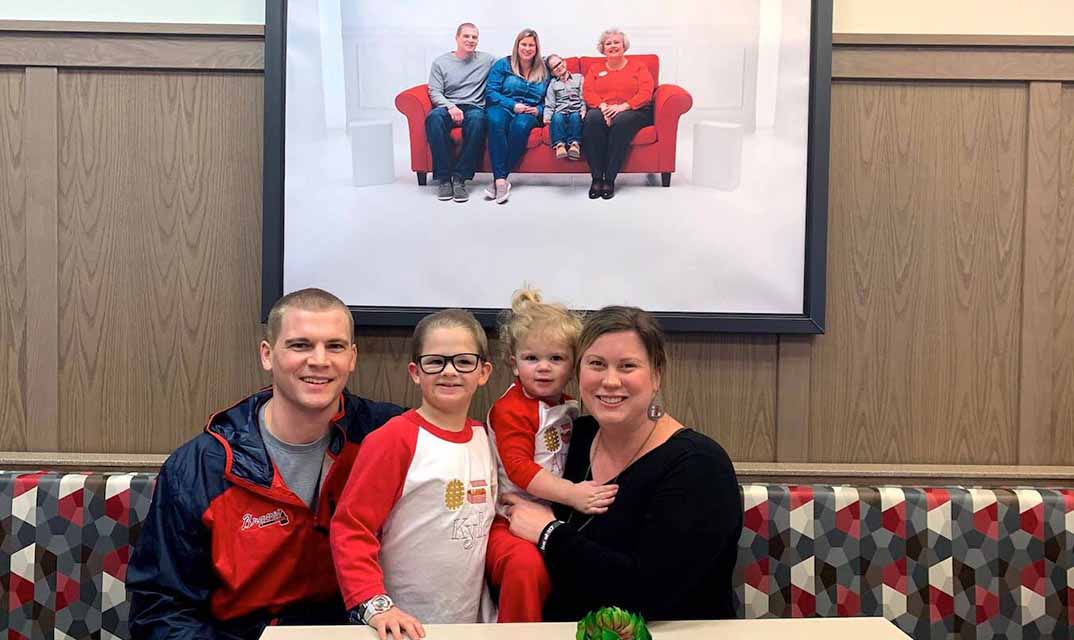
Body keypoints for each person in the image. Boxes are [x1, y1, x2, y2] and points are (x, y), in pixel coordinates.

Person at [127, 288, 405, 639]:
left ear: (352, 357)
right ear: (267, 355)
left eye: (334, 346)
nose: (319, 360)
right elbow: (159, 612)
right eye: (300, 345)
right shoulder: (198, 467)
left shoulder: (393, 437)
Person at [501, 306, 742, 622]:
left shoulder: (699, 465)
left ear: (656, 375)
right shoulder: (574, 437)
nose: (610, 381)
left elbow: (651, 595)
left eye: (627, 366)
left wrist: (549, 533)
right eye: (596, 364)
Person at [331, 309, 497, 640]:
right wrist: (376, 606)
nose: (449, 371)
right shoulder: (393, 439)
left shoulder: (487, 438)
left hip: (469, 626)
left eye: (464, 361)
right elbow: (351, 528)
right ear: (415, 372)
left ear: (484, 372)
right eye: (435, 361)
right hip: (399, 628)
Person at [484, 288, 616, 622]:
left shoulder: (568, 405)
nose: (543, 368)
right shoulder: (512, 409)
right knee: (524, 567)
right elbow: (518, 468)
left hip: (553, 515)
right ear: (514, 364)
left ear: (574, 365)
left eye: (556, 359)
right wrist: (572, 494)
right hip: (508, 518)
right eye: (532, 358)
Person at [581, 28, 655, 200]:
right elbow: (588, 92)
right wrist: (603, 107)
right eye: (608, 43)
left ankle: (609, 179)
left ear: (624, 46)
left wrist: (623, 107)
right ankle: (597, 178)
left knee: (621, 121)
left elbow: (646, 92)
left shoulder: (638, 67)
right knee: (592, 119)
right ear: (603, 48)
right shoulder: (595, 68)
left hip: (634, 110)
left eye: (616, 42)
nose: (613, 46)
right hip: (603, 108)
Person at [426, 23, 496, 203]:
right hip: (449, 105)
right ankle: (444, 179)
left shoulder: (487, 60)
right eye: (466, 36)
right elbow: (434, 92)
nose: (470, 40)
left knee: (478, 120)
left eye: (474, 37)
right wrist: (450, 106)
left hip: (474, 106)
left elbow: (511, 65)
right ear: (457, 38)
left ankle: (460, 178)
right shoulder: (440, 62)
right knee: (433, 118)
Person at [483, 29, 550, 204]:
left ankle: (499, 179)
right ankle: (501, 182)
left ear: (536, 48)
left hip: (528, 111)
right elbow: (491, 92)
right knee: (495, 121)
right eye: (524, 44)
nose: (527, 49)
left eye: (531, 45)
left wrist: (539, 110)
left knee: (520, 126)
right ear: (517, 46)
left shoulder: (544, 70)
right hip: (502, 106)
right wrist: (513, 105)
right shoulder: (502, 65)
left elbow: (551, 99)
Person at [543, 54, 586, 161]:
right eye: (554, 67)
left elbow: (583, 97)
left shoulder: (579, 78)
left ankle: (574, 145)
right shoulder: (553, 84)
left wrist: (583, 110)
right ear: (552, 73)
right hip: (560, 111)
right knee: (557, 118)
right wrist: (547, 116)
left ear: (564, 62)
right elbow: (550, 102)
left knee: (575, 117)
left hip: (575, 110)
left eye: (559, 63)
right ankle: (560, 145)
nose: (558, 67)